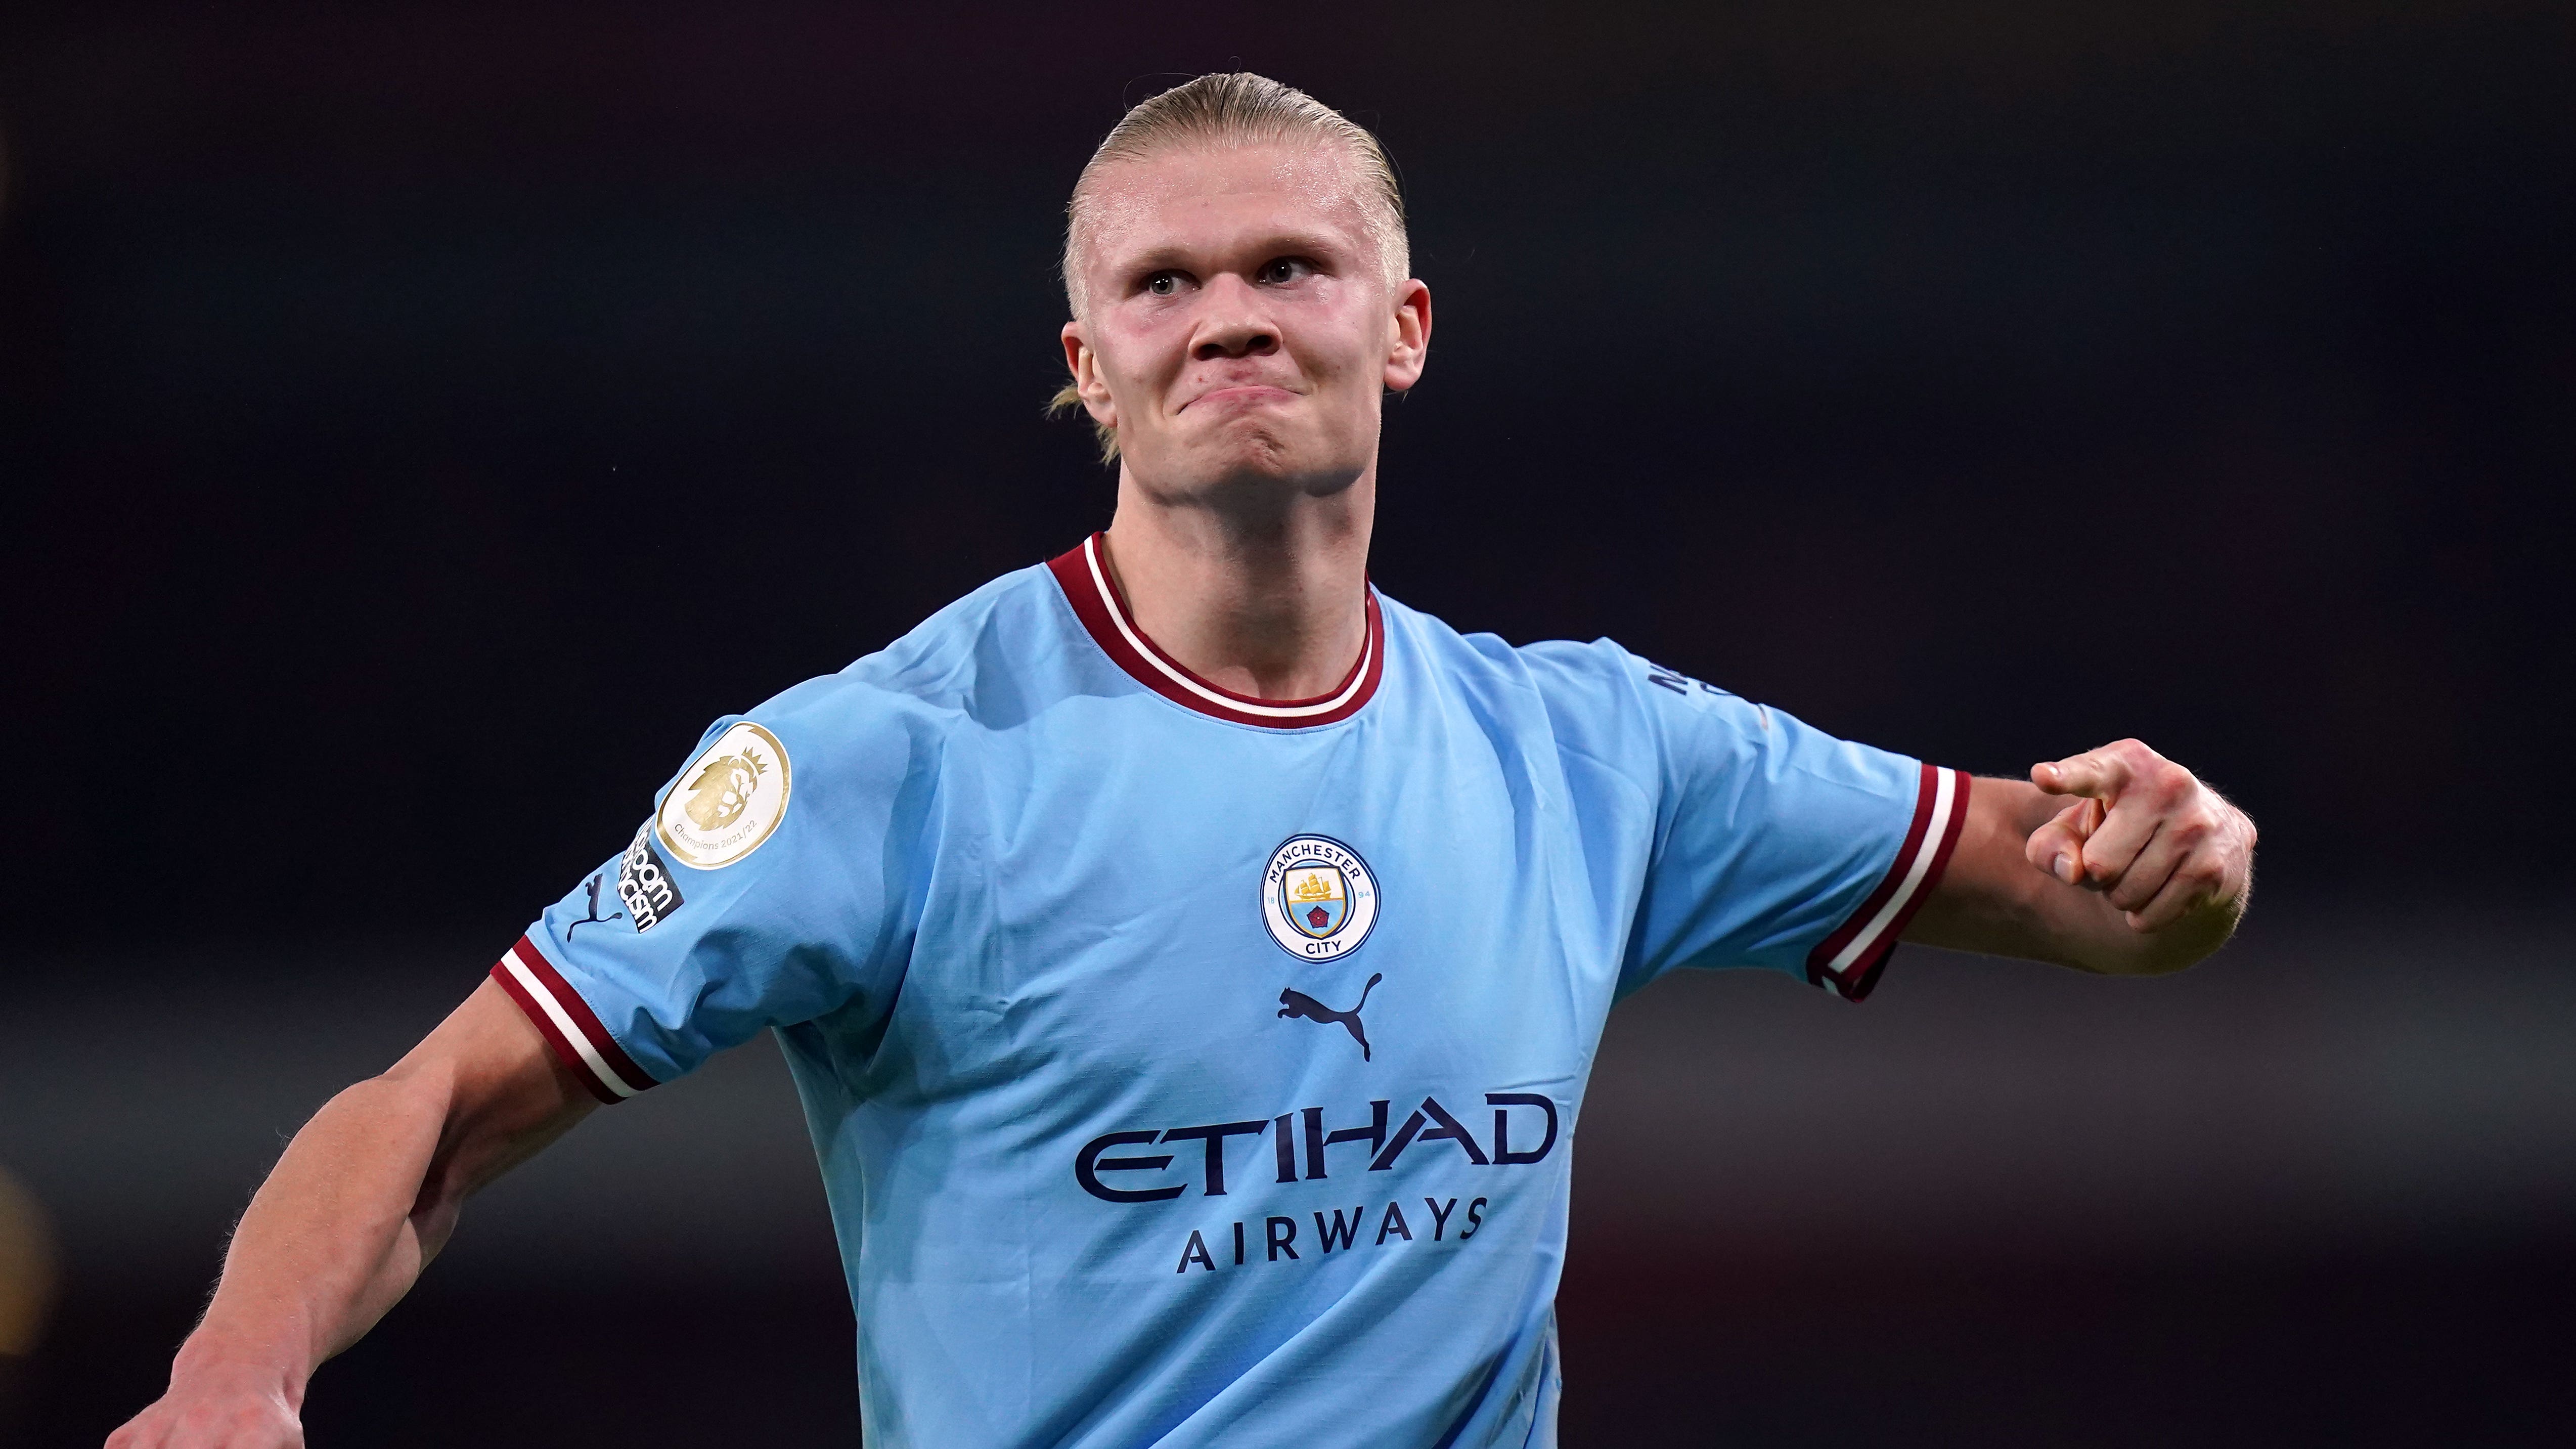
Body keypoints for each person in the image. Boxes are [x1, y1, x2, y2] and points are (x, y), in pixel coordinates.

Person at [108, 73, 2256, 1449]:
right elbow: (436, 1110)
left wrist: (2189, 868)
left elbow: (2078, 891)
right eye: (1163, 283)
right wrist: (234, 1378)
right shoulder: (884, 767)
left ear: (1399, 324)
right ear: (1087, 369)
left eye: (1289, 265)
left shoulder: (1593, 753)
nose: (1229, 313)